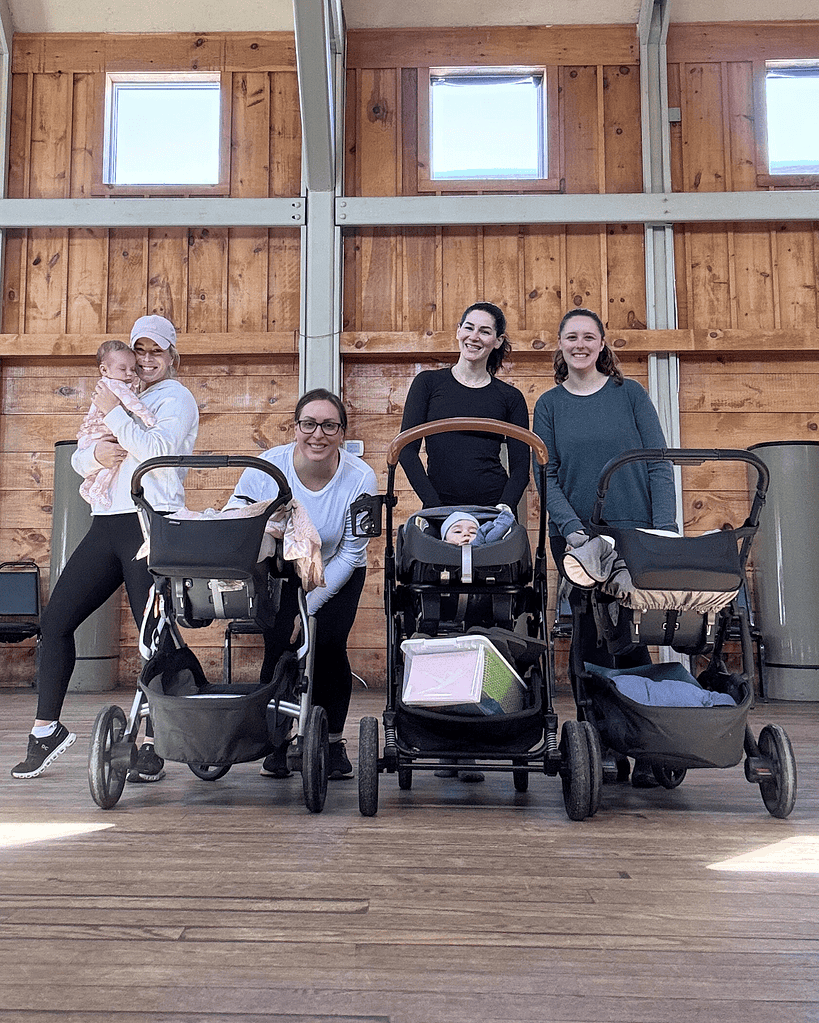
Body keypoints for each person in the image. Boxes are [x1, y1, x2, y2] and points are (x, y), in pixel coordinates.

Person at [11, 315, 200, 781]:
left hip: (149, 525)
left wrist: (114, 412)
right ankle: (45, 730)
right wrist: (96, 455)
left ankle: (157, 742)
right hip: (107, 524)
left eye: (158, 351)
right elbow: (80, 454)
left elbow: (156, 450)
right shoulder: (117, 388)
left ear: (173, 356)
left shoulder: (176, 398)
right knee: (55, 622)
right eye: (141, 349)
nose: (148, 359)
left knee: (152, 636)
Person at [532, 307, 677, 787]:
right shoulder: (549, 404)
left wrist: (664, 528)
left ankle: (648, 742)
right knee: (591, 636)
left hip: (635, 531)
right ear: (560, 344)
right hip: (578, 536)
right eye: (571, 336)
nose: (580, 344)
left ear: (601, 343)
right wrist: (572, 528)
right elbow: (545, 475)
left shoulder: (629, 393)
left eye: (588, 336)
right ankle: (600, 746)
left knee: (633, 636)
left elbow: (658, 461)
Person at [224, 388, 377, 781]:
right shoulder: (268, 466)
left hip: (337, 568)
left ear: (342, 433)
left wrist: (308, 608)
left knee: (325, 644)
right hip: (282, 570)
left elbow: (350, 554)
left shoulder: (360, 477)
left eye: (329, 425)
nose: (318, 434)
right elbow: (233, 517)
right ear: (295, 428)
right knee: (279, 646)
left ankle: (332, 742)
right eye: (309, 424)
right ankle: (276, 740)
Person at [399, 301, 530, 509]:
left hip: (492, 508)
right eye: (469, 327)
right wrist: (432, 503)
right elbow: (406, 449)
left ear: (498, 341)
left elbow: (521, 467)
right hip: (439, 508)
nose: (474, 336)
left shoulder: (510, 397)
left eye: (485, 331)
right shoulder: (428, 384)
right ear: (458, 331)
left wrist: (504, 507)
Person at [77, 341, 157, 509]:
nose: (129, 373)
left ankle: (90, 487)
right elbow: (131, 402)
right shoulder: (114, 384)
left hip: (96, 435)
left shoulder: (111, 385)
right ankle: (96, 489)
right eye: (123, 369)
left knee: (109, 463)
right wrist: (147, 417)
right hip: (100, 432)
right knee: (112, 460)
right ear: (104, 370)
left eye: (132, 369)